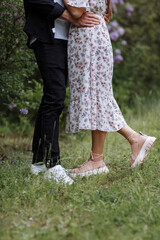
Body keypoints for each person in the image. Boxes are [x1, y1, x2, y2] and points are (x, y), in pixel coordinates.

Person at [64, 0, 156, 177]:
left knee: (97, 96)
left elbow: (76, 10)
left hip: (88, 40)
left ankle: (107, 155)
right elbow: (108, 12)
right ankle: (101, 157)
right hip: (95, 34)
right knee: (98, 95)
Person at [23, 0, 101, 183]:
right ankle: (53, 164)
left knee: (51, 97)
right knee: (55, 97)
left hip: (68, 38)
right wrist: (72, 18)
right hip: (48, 37)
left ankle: (39, 163)